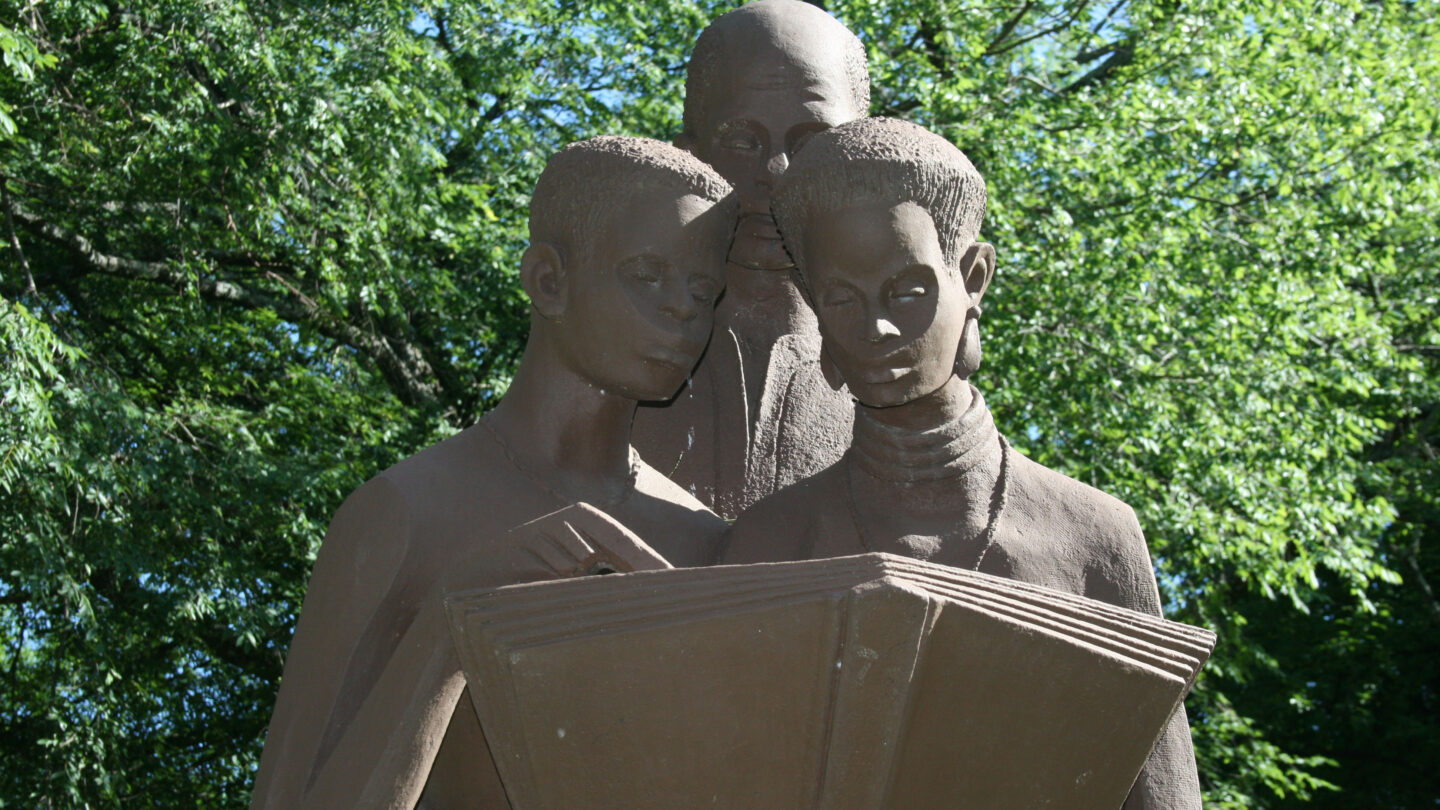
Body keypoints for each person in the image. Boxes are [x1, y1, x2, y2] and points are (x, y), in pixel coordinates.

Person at [724, 117, 1205, 809]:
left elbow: (1161, 796)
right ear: (812, 303)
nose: (877, 329)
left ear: (972, 277)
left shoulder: (1094, 536)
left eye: (908, 290)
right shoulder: (771, 545)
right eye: (841, 298)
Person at [249, 136, 735, 810]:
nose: (683, 308)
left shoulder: (702, 543)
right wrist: (451, 626)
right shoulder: (405, 513)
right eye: (647, 274)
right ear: (548, 280)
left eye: (703, 288)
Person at [632, 0, 870, 518]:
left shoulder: (900, 368)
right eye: (743, 140)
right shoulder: (615, 358)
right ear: (690, 156)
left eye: (813, 141)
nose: (777, 171)